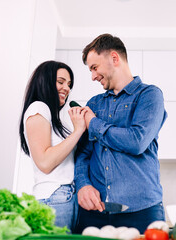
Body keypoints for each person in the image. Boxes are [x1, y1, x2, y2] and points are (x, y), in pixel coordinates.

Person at [74, 33, 168, 233]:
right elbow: (83, 153)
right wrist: (83, 184)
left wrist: (94, 123)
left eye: (94, 67)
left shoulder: (149, 95)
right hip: (95, 212)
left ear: (114, 58)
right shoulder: (94, 103)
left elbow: (137, 141)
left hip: (143, 211)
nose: (92, 76)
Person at [18, 60, 87, 233]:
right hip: (54, 198)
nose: (67, 88)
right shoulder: (38, 107)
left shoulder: (53, 115)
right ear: (45, 81)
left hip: (64, 198)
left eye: (69, 84)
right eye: (60, 82)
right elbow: (45, 162)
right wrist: (78, 131)